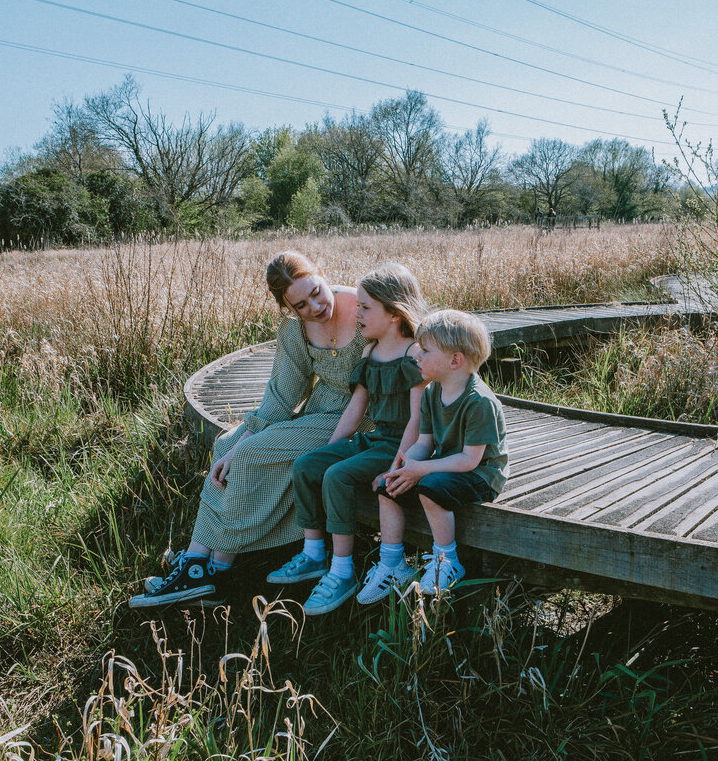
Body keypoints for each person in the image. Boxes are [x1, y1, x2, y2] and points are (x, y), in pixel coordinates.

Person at [129, 251, 365, 608]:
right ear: (287, 307)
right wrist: (247, 433)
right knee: (227, 444)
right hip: (320, 413)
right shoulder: (295, 329)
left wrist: (249, 444)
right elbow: (282, 394)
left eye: (316, 291)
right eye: (300, 305)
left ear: (321, 272)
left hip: (360, 418)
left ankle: (213, 569)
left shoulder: (364, 309)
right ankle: (199, 563)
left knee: (250, 452)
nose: (315, 306)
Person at [268, 263, 428, 615]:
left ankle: (342, 571)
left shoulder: (415, 355)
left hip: (399, 445)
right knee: (309, 465)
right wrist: (332, 450)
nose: (358, 313)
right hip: (374, 438)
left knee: (337, 476)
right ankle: (313, 554)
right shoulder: (370, 353)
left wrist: (397, 465)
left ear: (394, 312)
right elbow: (356, 409)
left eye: (366, 307)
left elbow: (418, 419)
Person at [367, 309, 509, 599]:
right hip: (447, 465)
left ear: (455, 360)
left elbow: (470, 460)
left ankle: (447, 561)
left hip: (481, 474)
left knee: (432, 488)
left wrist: (422, 470)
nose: (416, 357)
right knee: (387, 487)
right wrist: (404, 467)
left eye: (425, 351)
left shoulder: (478, 401)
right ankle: (392, 562)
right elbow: (423, 441)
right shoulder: (432, 392)